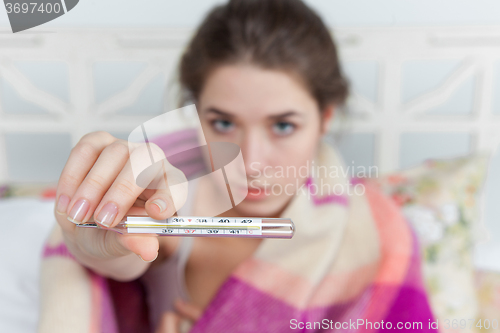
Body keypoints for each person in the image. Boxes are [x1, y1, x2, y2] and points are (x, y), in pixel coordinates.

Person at [40, 0, 437, 332]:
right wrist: (90, 238)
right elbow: (115, 256)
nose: (251, 163)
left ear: (325, 118)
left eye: (283, 126)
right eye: (223, 123)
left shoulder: (381, 237)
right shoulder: (165, 195)